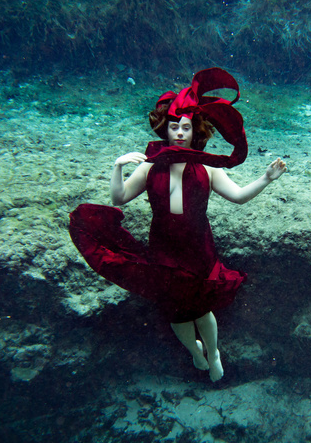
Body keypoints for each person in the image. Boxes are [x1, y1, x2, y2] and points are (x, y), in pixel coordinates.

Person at [69, 68, 286, 382]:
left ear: (194, 130)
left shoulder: (207, 167)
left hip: (198, 245)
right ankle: (196, 354)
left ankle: (213, 353)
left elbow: (238, 196)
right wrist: (117, 166)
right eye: (175, 127)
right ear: (166, 130)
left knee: (200, 306)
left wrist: (266, 179)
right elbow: (119, 198)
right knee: (175, 308)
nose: (180, 133)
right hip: (164, 247)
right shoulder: (149, 167)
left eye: (186, 127)